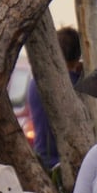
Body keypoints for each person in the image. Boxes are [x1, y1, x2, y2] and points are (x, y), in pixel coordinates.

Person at [27, 27, 82, 169]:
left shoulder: (37, 82)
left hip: (43, 161)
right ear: (78, 55)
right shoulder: (78, 85)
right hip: (70, 165)